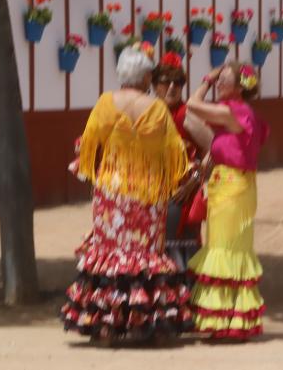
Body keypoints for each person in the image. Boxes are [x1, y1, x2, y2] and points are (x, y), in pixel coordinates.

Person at [60, 43, 193, 342]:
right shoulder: (157, 109)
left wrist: (97, 172)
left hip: (112, 193)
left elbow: (88, 145)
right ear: (146, 77)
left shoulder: (106, 103)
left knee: (110, 253)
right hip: (148, 195)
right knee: (145, 255)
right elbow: (173, 153)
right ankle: (145, 322)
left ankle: (107, 322)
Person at [185, 63, 269, 340]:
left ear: (239, 88)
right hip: (235, 185)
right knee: (231, 246)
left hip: (232, 186)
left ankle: (222, 318)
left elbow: (192, 105)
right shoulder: (244, 115)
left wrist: (205, 80)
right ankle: (232, 317)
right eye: (218, 80)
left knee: (223, 247)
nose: (219, 84)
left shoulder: (232, 112)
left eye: (224, 80)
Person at [151, 52, 205, 272]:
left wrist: (194, 181)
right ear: (154, 85)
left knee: (183, 248)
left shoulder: (188, 115)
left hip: (183, 194)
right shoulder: (149, 113)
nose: (172, 87)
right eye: (166, 82)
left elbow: (212, 152)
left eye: (178, 82)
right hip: (153, 192)